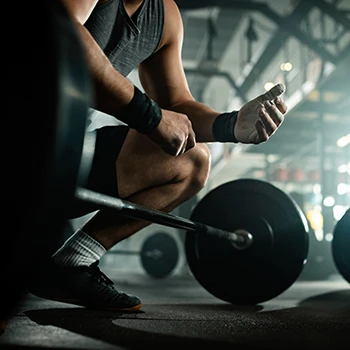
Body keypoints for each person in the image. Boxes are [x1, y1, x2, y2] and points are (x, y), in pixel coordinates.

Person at [28, 0, 288, 311]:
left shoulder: (165, 16)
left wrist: (229, 124)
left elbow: (176, 104)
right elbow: (64, 34)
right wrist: (149, 116)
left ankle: (71, 266)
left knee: (192, 162)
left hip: (64, 158)